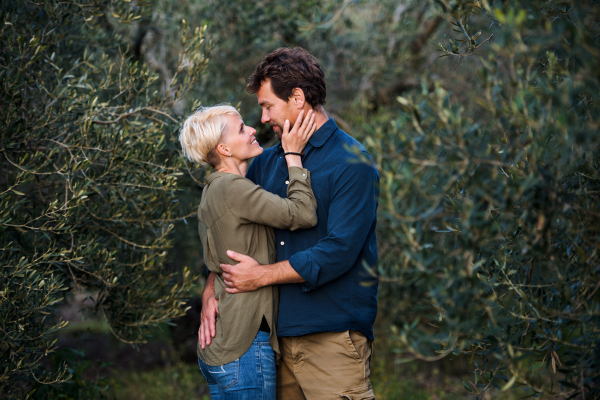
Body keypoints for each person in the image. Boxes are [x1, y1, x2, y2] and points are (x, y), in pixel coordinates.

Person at [199, 48, 380, 399]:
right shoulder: (267, 162)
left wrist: (261, 276)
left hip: (331, 340)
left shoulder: (352, 163)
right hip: (272, 343)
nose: (263, 118)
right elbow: (233, 228)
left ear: (297, 98)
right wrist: (212, 286)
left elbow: (338, 251)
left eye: (268, 106)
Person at [179, 104, 319, 399]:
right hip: (245, 347)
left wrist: (209, 291)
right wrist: (293, 155)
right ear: (224, 149)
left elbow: (217, 261)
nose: (254, 129)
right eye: (242, 129)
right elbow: (303, 213)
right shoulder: (233, 189)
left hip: (223, 345)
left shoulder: (213, 190)